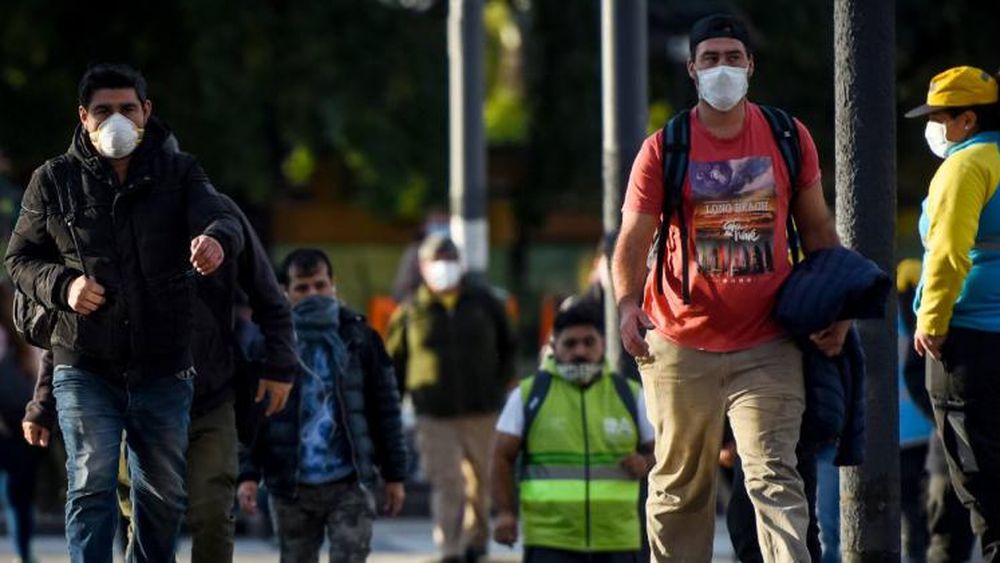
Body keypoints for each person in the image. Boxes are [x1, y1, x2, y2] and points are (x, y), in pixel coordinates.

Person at [612, 14, 847, 562]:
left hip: (768, 344)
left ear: (750, 67)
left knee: (775, 478)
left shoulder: (788, 136)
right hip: (679, 342)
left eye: (733, 58)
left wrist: (839, 306)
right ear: (692, 70)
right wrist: (627, 305)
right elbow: (631, 239)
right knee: (678, 490)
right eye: (711, 59)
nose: (723, 69)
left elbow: (818, 230)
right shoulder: (664, 147)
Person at [5, 63, 243, 563]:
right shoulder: (53, 179)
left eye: (127, 109)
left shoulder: (180, 173)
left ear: (146, 112)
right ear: (84, 118)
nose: (116, 119)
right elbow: (18, 260)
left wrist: (215, 241)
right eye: (103, 110)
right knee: (91, 484)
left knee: (160, 498)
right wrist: (64, 285)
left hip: (163, 366)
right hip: (85, 363)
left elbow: (222, 217)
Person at [237, 248, 407, 563]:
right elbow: (251, 416)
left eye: (320, 285)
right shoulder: (269, 346)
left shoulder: (360, 339)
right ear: (285, 292)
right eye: (302, 287)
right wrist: (247, 474)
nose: (313, 294)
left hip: (350, 482)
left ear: (333, 285)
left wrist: (395, 474)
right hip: (291, 485)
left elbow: (385, 409)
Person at [905, 65, 1000, 562]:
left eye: (939, 117)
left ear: (966, 120)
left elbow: (948, 253)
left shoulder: (967, 165)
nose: (934, 127)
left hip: (969, 341)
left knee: (983, 485)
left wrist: (931, 322)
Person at [386, 233, 517, 563]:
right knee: (448, 483)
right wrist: (391, 407)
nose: (444, 266)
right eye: (436, 260)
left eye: (449, 258)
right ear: (423, 267)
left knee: (482, 481)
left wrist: (500, 386)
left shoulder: (485, 302)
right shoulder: (410, 311)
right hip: (434, 412)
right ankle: (450, 548)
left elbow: (508, 345)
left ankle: (477, 540)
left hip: (481, 409)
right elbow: (396, 362)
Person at [492, 302, 654, 563]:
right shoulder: (528, 395)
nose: (580, 351)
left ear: (603, 343)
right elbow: (501, 456)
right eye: (570, 344)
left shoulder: (630, 395)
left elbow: (663, 450)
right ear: (554, 346)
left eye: (589, 342)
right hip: (549, 542)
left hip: (618, 542)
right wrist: (505, 513)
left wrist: (645, 461)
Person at [0, 284, 41, 563]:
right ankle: (25, 554)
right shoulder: (22, 338)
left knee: (17, 495)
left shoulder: (17, 339)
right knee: (19, 496)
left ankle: (24, 553)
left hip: (14, 424)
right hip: (21, 422)